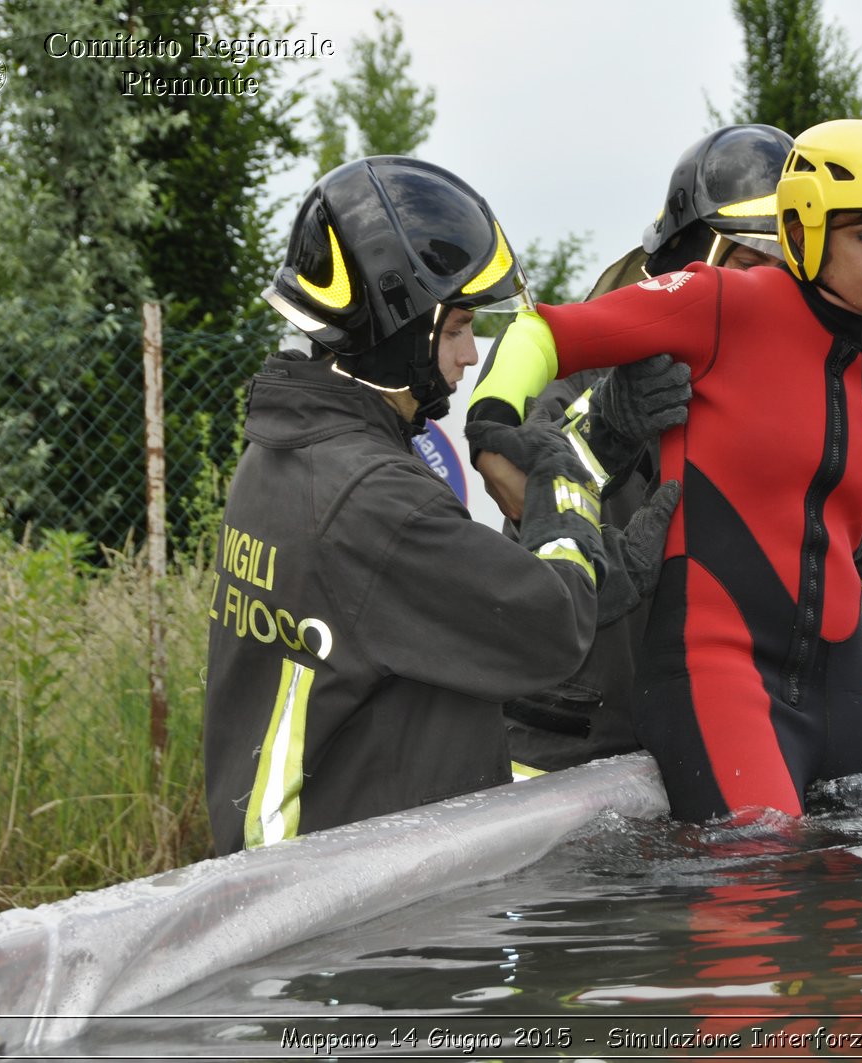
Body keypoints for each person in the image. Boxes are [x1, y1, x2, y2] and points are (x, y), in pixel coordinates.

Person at [467, 119, 862, 822]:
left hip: (745, 726)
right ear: (688, 253)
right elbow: (523, 526)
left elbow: (814, 609)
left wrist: (851, 544)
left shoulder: (832, 375)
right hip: (569, 741)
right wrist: (607, 432)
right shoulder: (604, 365)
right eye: (754, 258)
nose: (778, 284)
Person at [203, 156, 677, 855]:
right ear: (398, 328)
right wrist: (574, 476)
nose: (466, 357)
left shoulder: (289, 453)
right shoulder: (373, 497)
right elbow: (547, 626)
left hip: (301, 867)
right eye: (455, 328)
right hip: (352, 898)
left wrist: (598, 441)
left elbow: (458, 594)